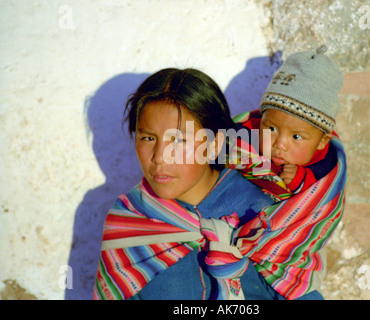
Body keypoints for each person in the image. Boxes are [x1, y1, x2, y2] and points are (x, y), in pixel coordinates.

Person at [92, 67, 321, 300]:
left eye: (179, 140)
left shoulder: (266, 217)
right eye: (148, 138)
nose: (160, 156)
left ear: (213, 144)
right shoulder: (129, 224)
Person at [231, 45, 345, 198]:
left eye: (296, 137)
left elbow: (320, 199)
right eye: (272, 128)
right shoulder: (246, 132)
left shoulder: (326, 165)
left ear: (321, 142)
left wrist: (301, 181)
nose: (280, 144)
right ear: (262, 118)